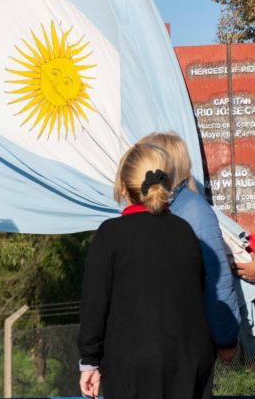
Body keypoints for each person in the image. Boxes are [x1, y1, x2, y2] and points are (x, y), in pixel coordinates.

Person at [78, 143, 214, 399]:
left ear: (122, 186)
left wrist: (89, 360)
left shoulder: (111, 234)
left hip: (133, 365)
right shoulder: (185, 231)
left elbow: (94, 304)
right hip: (190, 362)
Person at [139, 132, 240, 360]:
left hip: (184, 346)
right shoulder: (160, 210)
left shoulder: (193, 211)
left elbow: (217, 280)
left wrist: (225, 339)